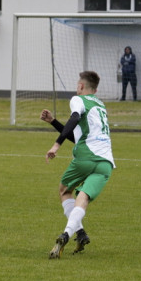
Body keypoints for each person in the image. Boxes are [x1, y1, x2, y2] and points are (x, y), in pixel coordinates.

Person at [41, 71, 114, 257]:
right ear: (95, 89)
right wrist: (53, 122)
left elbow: (73, 119)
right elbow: (79, 136)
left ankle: (75, 232)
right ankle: (73, 234)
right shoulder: (100, 105)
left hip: (85, 158)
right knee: (83, 197)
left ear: (81, 86)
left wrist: (56, 145)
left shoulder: (78, 99)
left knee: (65, 191)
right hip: (106, 163)